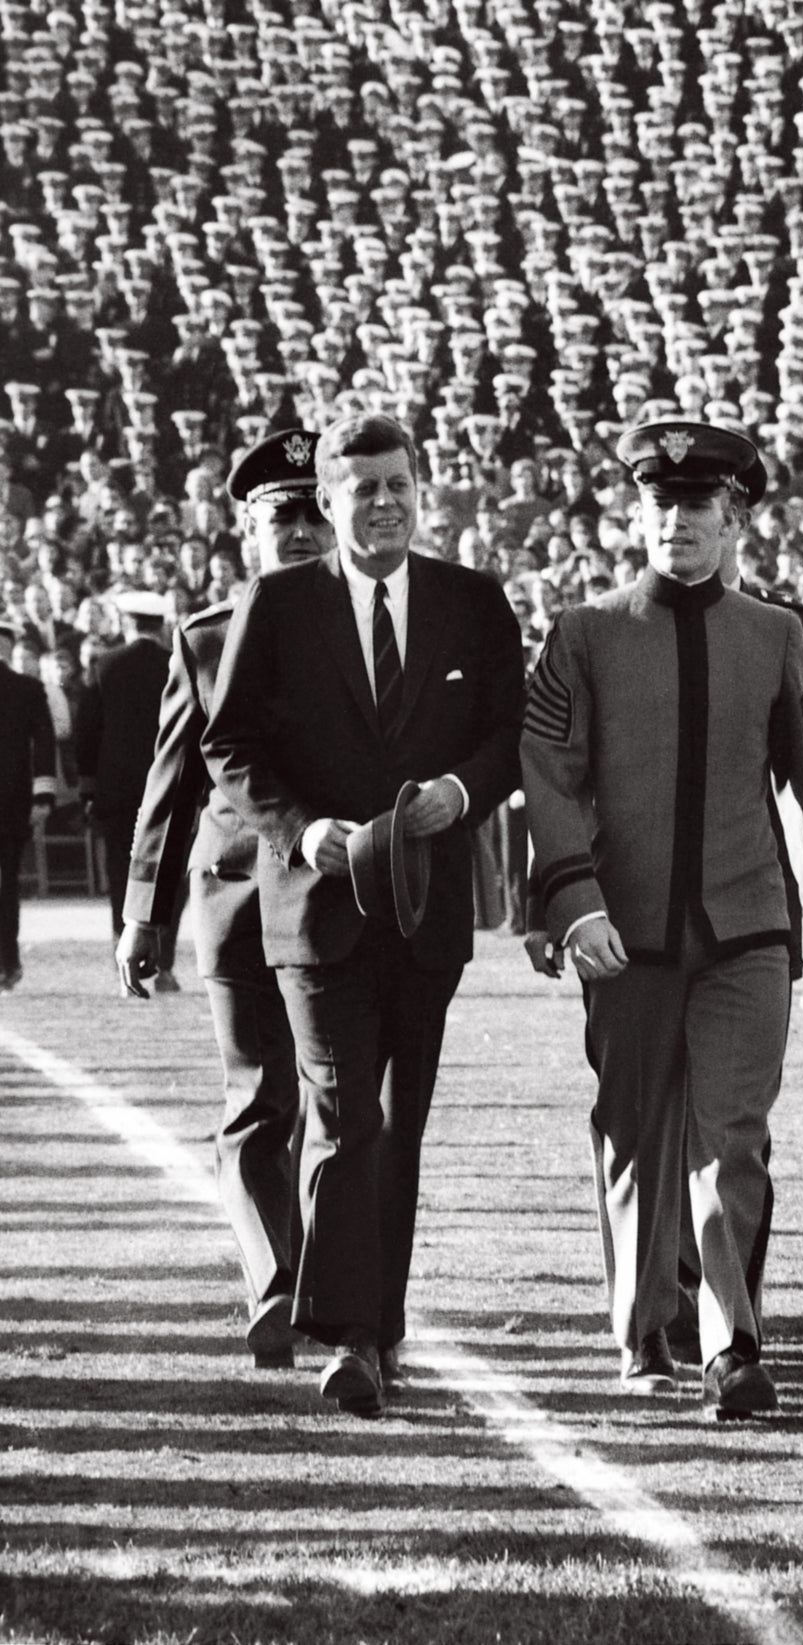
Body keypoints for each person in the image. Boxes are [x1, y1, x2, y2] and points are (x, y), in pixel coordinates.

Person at [521, 419, 803, 1419]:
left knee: (731, 1135)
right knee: (633, 1131)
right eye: (661, 505)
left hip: (748, 930)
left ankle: (730, 1341)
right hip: (625, 938)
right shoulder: (583, 632)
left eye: (698, 507)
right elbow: (549, 778)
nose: (679, 522)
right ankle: (641, 1328)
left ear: (733, 518)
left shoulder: (778, 633)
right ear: (636, 515)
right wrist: (571, 902)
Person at [202, 412, 525, 1416]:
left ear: (420, 488)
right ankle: (349, 1336)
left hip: (427, 915)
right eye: (363, 488)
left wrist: (458, 798)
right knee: (347, 1112)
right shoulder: (280, 601)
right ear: (331, 500)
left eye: (398, 483)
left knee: (401, 1127)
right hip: (315, 911)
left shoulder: (474, 603)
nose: (382, 502)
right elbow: (233, 749)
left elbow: (510, 738)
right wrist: (304, 833)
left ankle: (378, 1326)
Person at [114, 429, 332, 1367]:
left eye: (313, 514)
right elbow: (169, 789)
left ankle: (328, 1285)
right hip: (237, 888)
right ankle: (274, 1284)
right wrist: (141, 914)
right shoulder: (205, 635)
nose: (300, 532)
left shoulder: (363, 630)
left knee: (336, 1100)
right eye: (281, 516)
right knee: (256, 1097)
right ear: (245, 525)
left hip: (333, 891)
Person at [74, 590, 177, 981]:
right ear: (160, 624)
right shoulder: (175, 664)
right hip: (169, 787)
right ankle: (164, 964)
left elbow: (87, 732)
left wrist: (88, 789)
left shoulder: (105, 665)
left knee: (122, 871)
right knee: (169, 872)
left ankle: (126, 957)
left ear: (127, 623)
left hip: (116, 790)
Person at [0, 617, 56, 989]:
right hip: (13, 799)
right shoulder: (28, 688)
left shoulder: (28, 688)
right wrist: (43, 794)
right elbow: (44, 746)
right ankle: (8, 963)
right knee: (8, 883)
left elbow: (44, 743)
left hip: (12, 799)